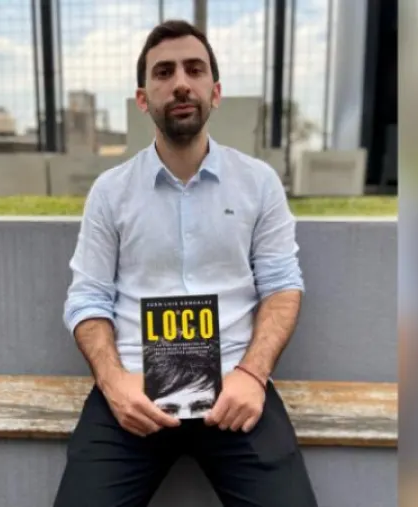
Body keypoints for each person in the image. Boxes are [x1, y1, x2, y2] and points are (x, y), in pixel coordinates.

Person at [53, 19, 318, 507]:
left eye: (194, 70)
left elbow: (282, 285)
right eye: (164, 72)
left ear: (214, 92)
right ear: (142, 98)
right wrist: (114, 382)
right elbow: (87, 297)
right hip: (136, 392)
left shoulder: (258, 183)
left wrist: (252, 375)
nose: (180, 83)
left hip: (235, 389)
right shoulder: (111, 192)